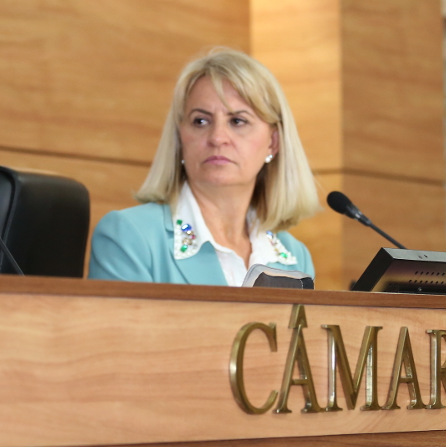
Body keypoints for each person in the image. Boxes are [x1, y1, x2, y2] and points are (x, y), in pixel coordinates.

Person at [89, 48, 318, 286]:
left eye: (237, 121)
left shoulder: (294, 258)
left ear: (273, 143)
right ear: (180, 138)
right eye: (200, 121)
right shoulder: (130, 236)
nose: (217, 137)